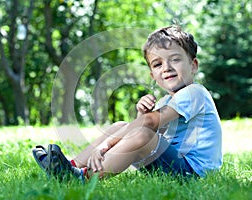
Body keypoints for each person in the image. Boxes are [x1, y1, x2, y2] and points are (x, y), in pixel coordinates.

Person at [32, 25, 222, 182]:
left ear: (193, 65)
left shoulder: (194, 92)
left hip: (194, 173)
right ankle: (71, 166)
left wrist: (105, 145)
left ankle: (81, 178)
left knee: (141, 133)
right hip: (174, 165)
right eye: (157, 64)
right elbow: (148, 130)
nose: (167, 68)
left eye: (175, 59)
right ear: (152, 76)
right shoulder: (166, 101)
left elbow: (148, 127)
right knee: (121, 126)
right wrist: (141, 116)